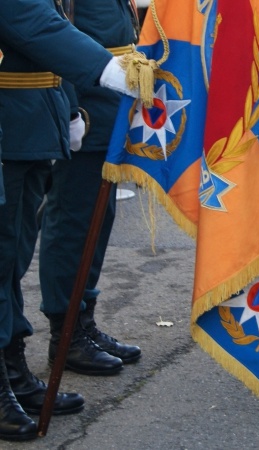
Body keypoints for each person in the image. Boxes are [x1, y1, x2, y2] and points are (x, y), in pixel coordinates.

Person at [0, 0, 148, 441]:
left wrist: (65, 108)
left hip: (31, 123)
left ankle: (12, 365)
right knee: (6, 253)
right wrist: (109, 70)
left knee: (12, 258)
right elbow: (35, 25)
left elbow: (50, 37)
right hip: (11, 125)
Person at [38, 0, 143, 377]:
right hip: (84, 104)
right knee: (72, 219)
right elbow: (57, 36)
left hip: (111, 106)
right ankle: (64, 332)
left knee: (99, 219)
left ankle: (83, 319)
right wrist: (69, 109)